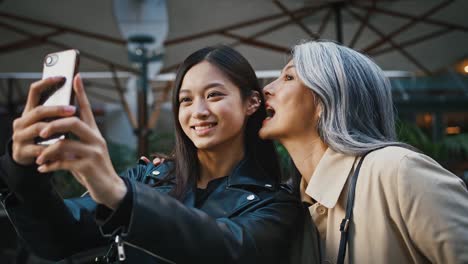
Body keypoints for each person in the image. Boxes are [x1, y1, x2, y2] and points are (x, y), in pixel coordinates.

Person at [0, 45, 302, 263]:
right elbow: (58, 239)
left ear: (251, 103)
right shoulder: (147, 179)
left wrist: (124, 199)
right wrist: (22, 171)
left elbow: (227, 248)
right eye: (185, 100)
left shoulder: (276, 204)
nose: (198, 111)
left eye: (214, 95)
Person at [259, 40, 468, 263]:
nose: (266, 89)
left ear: (324, 100)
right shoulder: (291, 204)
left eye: (289, 77)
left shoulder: (397, 171)